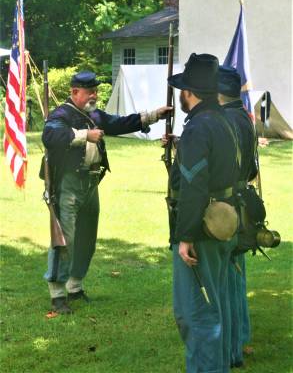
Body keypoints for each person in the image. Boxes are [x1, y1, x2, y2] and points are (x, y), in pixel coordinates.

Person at [42, 70, 172, 314]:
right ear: (74, 92)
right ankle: (58, 295)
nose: (94, 95)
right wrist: (84, 136)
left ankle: (75, 286)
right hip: (67, 185)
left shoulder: (93, 114)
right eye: (89, 91)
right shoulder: (61, 114)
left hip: (91, 184)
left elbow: (119, 123)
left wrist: (154, 114)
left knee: (86, 239)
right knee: (64, 240)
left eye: (95, 90)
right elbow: (50, 136)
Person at [167, 53, 239, 373]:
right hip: (224, 225)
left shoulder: (199, 127)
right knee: (215, 308)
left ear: (189, 92)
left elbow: (194, 188)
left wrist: (185, 236)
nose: (180, 94)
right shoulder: (225, 121)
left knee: (197, 314)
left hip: (203, 232)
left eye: (182, 89)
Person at [218, 66, 258, 368]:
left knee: (226, 281)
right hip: (243, 202)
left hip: (228, 207)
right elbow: (252, 169)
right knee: (235, 276)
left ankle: (230, 350)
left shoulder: (225, 121)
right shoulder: (243, 118)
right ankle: (239, 338)